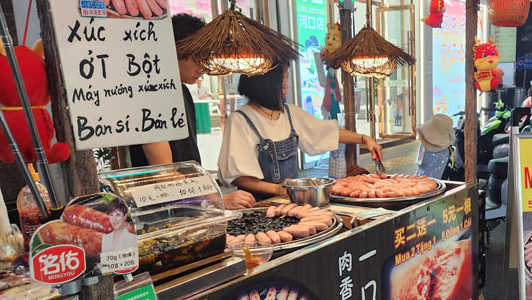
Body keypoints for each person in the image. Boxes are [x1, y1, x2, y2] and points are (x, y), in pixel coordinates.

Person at [128, 14, 255, 210]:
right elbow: (164, 172)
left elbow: (186, 162)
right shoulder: (150, 95)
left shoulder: (182, 91)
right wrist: (218, 198)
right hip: (161, 210)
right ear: (177, 50)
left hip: (188, 205)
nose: (203, 66)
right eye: (198, 57)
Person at [218, 64, 383, 198]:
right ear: (263, 82)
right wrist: (277, 189)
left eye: (287, 78)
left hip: (292, 201)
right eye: (281, 79)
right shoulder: (240, 120)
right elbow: (239, 177)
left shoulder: (289, 113)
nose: (286, 85)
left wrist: (364, 138)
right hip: (258, 206)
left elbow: (324, 131)